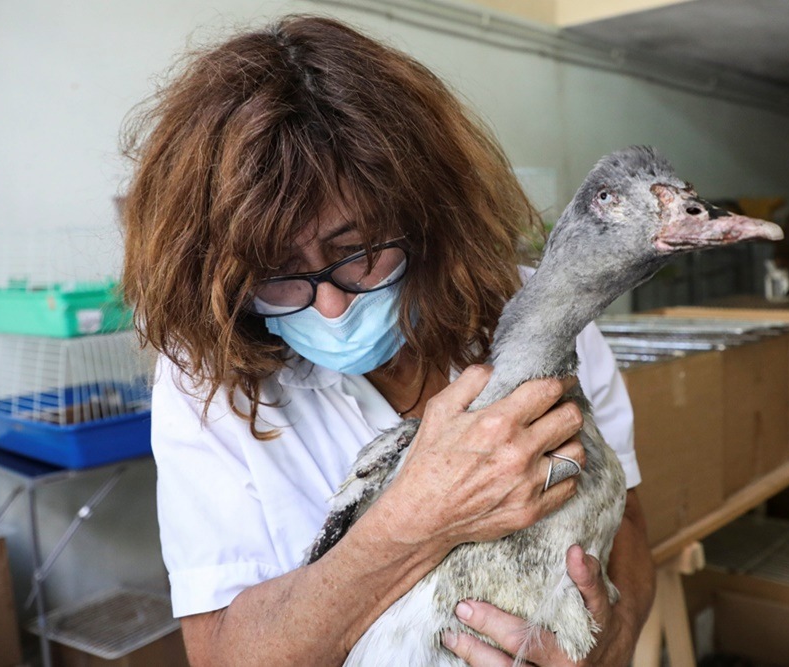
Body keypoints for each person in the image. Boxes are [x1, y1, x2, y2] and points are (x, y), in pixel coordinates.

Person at [120, 16, 654, 666]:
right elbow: (223, 654)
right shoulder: (205, 382)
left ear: (427, 216)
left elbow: (627, 530)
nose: (331, 302)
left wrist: (609, 648)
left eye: (358, 250)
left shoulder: (547, 317)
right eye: (278, 273)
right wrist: (415, 518)